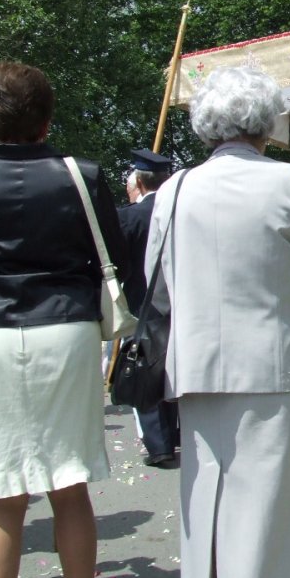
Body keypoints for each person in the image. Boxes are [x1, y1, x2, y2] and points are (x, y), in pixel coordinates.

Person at [145, 66, 290, 578]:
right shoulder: (288, 182)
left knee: (203, 496)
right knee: (264, 508)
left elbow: (157, 282)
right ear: (266, 122)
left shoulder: (174, 189)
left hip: (195, 364)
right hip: (267, 368)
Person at [0, 61, 128, 578]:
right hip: (68, 328)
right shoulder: (82, 176)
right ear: (47, 120)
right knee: (69, 486)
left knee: (4, 494)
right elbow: (115, 256)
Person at [117, 148, 179, 468]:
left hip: (143, 303)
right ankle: (178, 433)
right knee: (174, 366)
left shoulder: (129, 217)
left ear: (139, 183)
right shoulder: (180, 211)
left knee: (145, 367)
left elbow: (117, 262)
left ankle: (159, 443)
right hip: (181, 301)